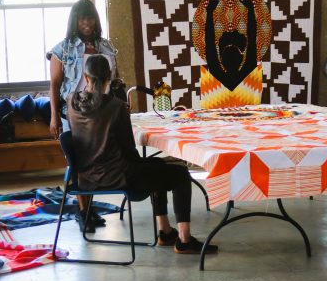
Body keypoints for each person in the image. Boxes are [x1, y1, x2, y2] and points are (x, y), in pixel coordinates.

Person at [67, 55, 218, 254]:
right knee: (180, 174)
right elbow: (129, 150)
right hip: (117, 179)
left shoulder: (71, 103)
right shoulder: (115, 108)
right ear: (109, 78)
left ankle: (165, 231)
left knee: (158, 167)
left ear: (86, 78)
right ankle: (184, 239)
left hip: (86, 179)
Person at [49, 0, 119, 230]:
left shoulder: (107, 47)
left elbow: (116, 79)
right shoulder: (63, 49)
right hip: (74, 114)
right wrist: (52, 117)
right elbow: (54, 85)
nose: (86, 23)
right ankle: (82, 211)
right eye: (82, 19)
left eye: (90, 18)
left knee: (97, 159)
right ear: (75, 21)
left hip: (104, 112)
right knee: (78, 161)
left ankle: (90, 208)